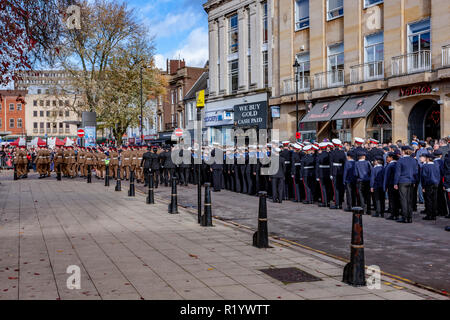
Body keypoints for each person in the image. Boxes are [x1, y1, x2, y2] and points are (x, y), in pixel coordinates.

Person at [394, 146, 419, 223]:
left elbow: (397, 173)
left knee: (403, 199)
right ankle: (409, 217)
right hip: (411, 181)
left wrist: (395, 183)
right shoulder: (414, 160)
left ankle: (404, 217)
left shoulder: (400, 160)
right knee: (409, 200)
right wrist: (415, 181)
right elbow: (416, 172)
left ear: (404, 151)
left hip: (403, 181)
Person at [421, 153, 440, 221]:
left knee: (428, 200)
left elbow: (424, 177)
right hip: (435, 184)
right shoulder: (436, 165)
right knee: (434, 200)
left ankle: (429, 215)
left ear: (428, 159)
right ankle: (434, 215)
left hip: (428, 184)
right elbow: (438, 175)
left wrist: (423, 186)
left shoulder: (425, 166)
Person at [384, 152, 400, 220]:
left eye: (388, 157)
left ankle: (393, 214)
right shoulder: (397, 164)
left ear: (391, 158)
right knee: (396, 200)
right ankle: (396, 214)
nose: (386, 158)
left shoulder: (390, 165)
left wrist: (385, 186)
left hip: (391, 184)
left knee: (392, 200)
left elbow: (387, 177)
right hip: (396, 184)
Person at [355, 150, 372, 215]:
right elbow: (371, 170)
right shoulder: (367, 162)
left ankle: (363, 209)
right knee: (368, 195)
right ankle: (369, 210)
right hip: (367, 180)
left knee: (361, 195)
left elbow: (355, 173)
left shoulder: (356, 163)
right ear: (364, 156)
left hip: (360, 181)